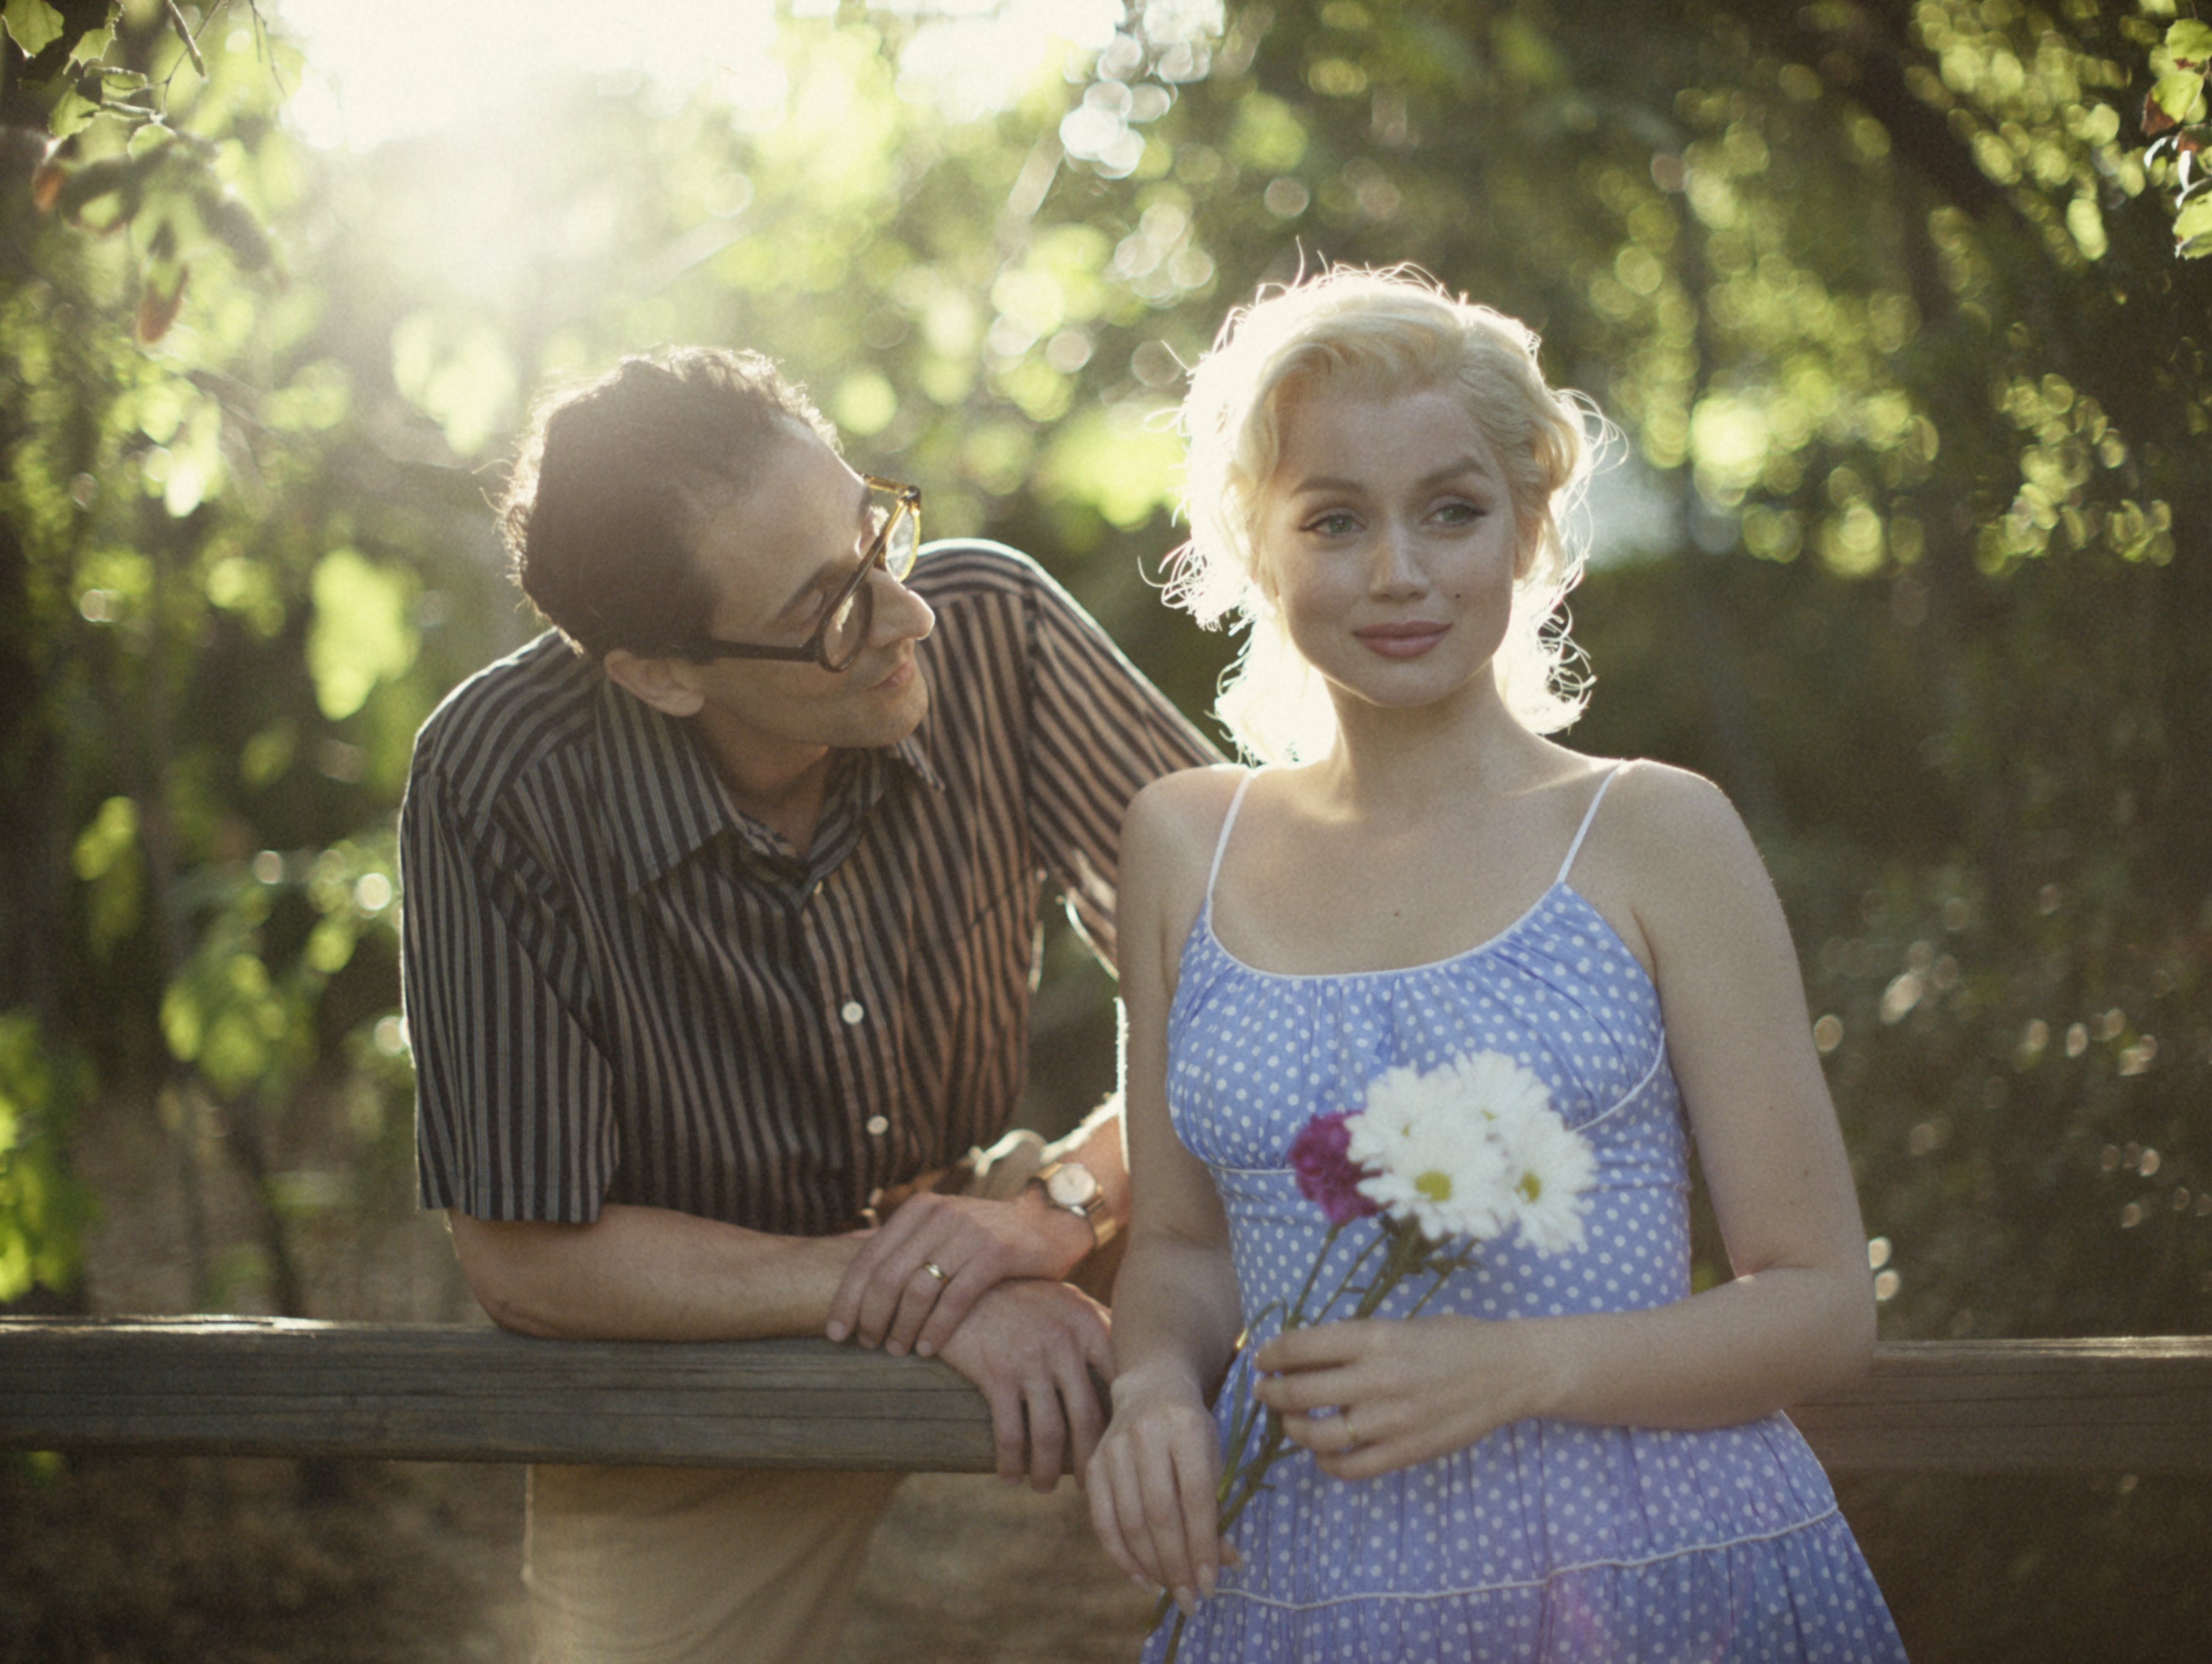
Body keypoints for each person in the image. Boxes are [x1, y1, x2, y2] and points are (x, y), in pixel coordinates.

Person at [1087, 267, 1909, 1662]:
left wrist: (1519, 1366)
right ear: (1253, 543)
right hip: (1298, 1579)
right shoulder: (1183, 844)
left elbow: (1822, 1305)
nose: (1398, 572)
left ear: (1530, 528)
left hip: (1654, 1569)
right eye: (1335, 520)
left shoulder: (1655, 832)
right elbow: (1178, 1247)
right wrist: (1154, 1387)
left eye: (1452, 511)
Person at [398, 346, 1216, 1664]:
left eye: (876, 531)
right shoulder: (502, 778)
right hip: (691, 1333)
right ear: (662, 672)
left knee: (1358, 1261)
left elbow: (1275, 974)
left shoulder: (993, 623)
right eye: (834, 606)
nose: (908, 615)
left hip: (1002, 1203)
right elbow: (530, 1259)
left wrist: (1053, 1211)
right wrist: (932, 1286)